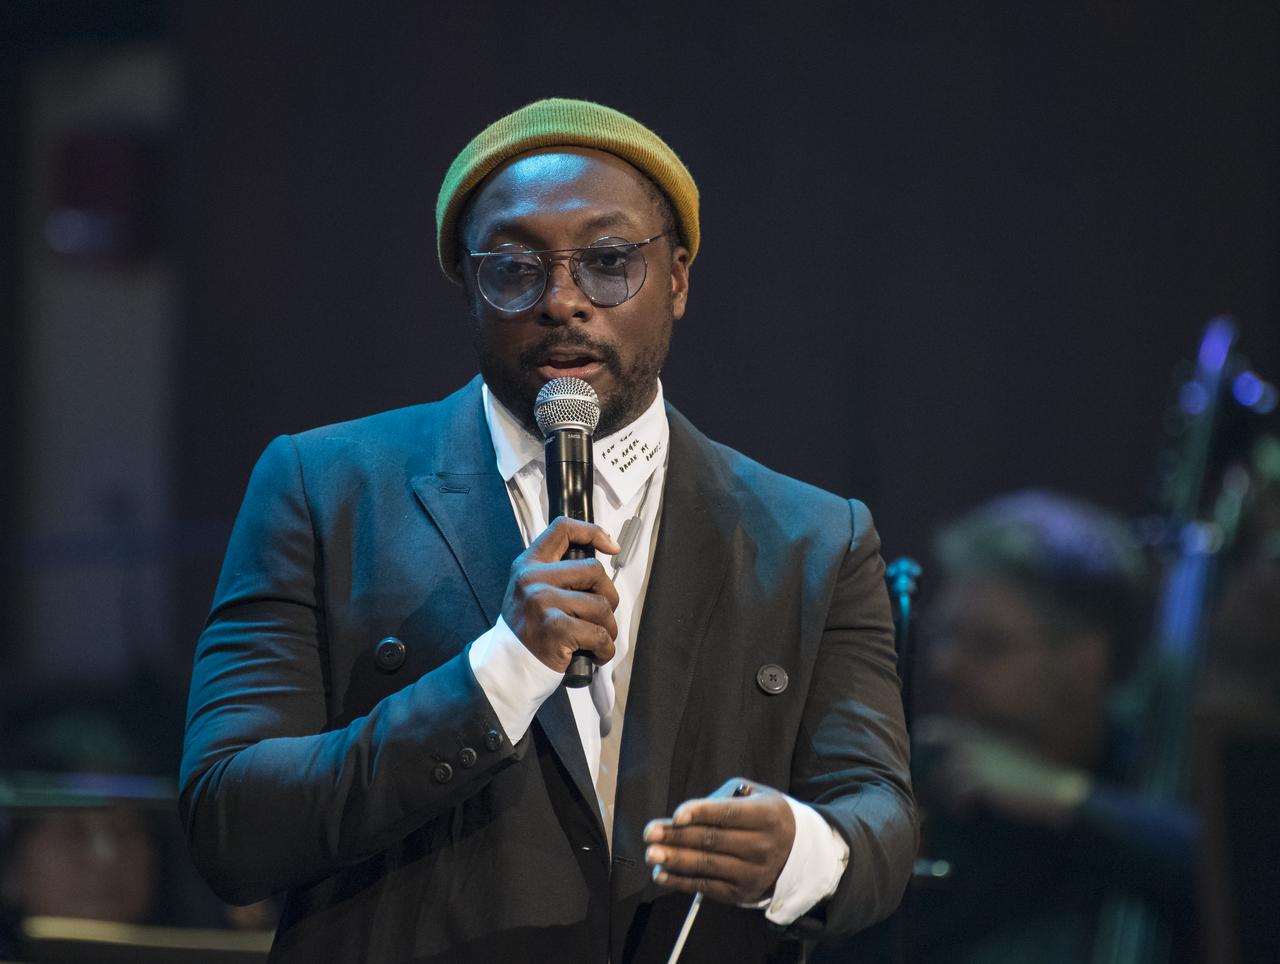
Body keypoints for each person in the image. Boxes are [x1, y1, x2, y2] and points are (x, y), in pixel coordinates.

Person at [180, 98, 915, 964]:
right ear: (468, 282)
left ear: (676, 279)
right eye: (514, 267)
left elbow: (881, 820)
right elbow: (228, 825)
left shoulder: (815, 538)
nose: (563, 301)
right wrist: (500, 674)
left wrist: (798, 852)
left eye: (609, 262)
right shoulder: (325, 487)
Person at [903, 490, 1196, 964]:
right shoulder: (924, 777)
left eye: (986, 643)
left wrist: (1063, 797)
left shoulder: (1156, 775)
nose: (945, 665)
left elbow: (1230, 879)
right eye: (943, 635)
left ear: (1085, 663)